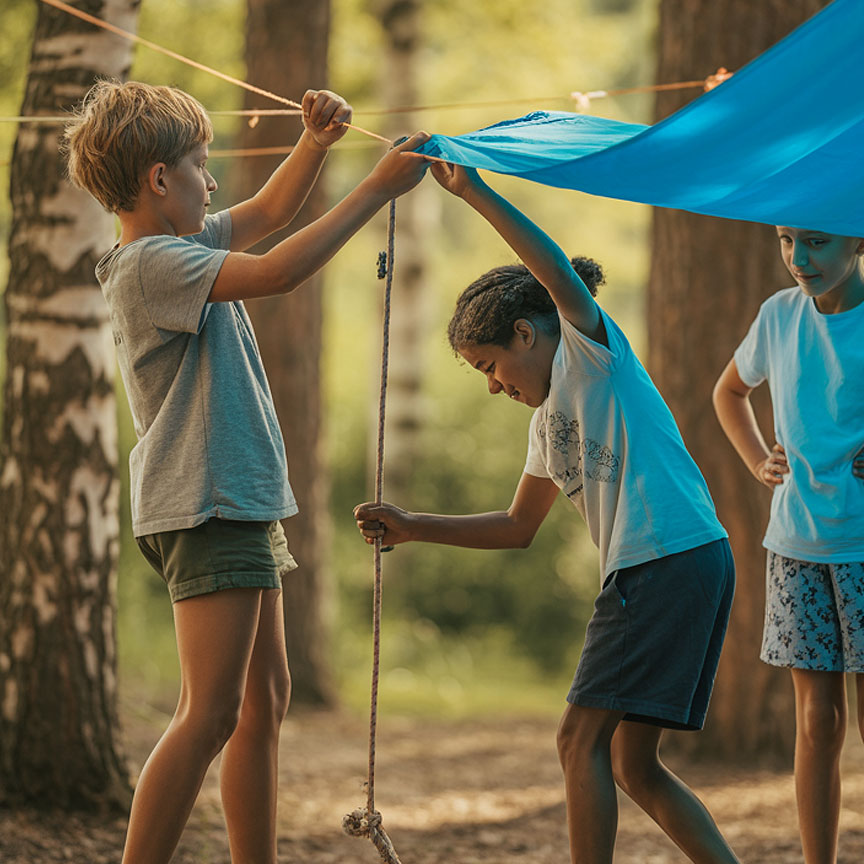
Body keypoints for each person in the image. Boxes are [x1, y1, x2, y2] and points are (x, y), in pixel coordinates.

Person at [63, 79, 429, 864]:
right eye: (201, 163)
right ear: (160, 180)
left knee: (264, 703)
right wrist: (374, 188)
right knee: (210, 714)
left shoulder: (180, 245)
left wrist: (315, 145)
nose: (213, 178)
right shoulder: (150, 264)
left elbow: (265, 216)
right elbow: (278, 269)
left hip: (236, 501)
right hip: (206, 503)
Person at [355, 163, 739, 864]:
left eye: (488, 366)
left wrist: (471, 191)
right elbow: (516, 527)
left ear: (527, 334)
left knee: (576, 741)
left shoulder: (592, 357)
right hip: (685, 562)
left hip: (664, 560)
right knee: (632, 764)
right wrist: (414, 524)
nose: (493, 385)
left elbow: (552, 266)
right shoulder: (545, 427)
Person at [713, 226, 864, 864]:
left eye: (818, 242)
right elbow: (729, 392)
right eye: (785, 241)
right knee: (816, 723)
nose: (799, 259)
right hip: (797, 547)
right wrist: (757, 462)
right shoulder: (778, 314)